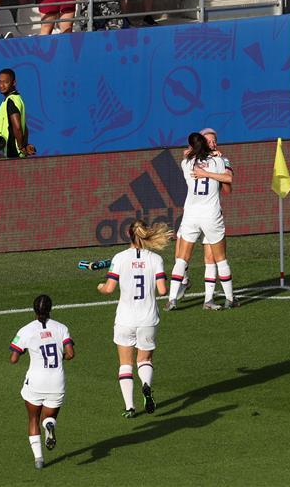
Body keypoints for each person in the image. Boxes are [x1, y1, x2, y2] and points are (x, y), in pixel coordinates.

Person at [96, 220, 171, 418]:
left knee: (125, 364)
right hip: (148, 318)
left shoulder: (119, 258)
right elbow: (163, 290)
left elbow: (109, 289)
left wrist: (100, 287)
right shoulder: (155, 259)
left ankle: (129, 407)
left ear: (129, 235)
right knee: (145, 360)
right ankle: (146, 386)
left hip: (125, 319)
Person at [167, 132, 234, 311]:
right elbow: (228, 180)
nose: (214, 143)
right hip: (211, 214)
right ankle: (228, 299)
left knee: (182, 258)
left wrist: (202, 169)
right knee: (218, 259)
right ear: (204, 143)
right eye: (210, 141)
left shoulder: (186, 163)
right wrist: (210, 169)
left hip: (191, 215)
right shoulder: (219, 161)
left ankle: (172, 299)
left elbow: (187, 154)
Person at [9, 294, 75, 470]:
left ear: (34, 310)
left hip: (36, 382)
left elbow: (13, 358)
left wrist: (24, 350)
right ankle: (50, 425)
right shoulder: (62, 328)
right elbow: (70, 354)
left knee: (33, 418)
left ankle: (39, 459)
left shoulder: (26, 330)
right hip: (56, 381)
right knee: (49, 417)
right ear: (51, 309)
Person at [0, 67, 35, 158]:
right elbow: (25, 128)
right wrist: (25, 145)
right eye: (0, 82)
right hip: (11, 153)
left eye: (6, 82)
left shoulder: (11, 101)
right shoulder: (16, 99)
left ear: (14, 83)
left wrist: (21, 147)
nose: (1, 85)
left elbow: (18, 127)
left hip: (13, 153)